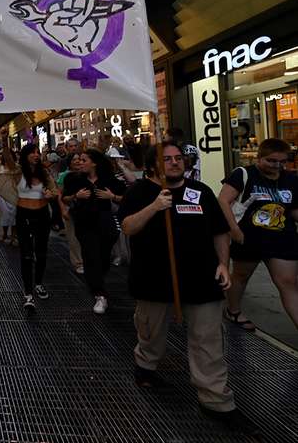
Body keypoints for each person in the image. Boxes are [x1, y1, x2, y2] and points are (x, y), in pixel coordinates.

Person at [118, 144, 258, 436]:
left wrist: (223, 263)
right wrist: (155, 207)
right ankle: (146, 365)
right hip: (154, 281)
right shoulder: (140, 192)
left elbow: (219, 231)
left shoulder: (202, 191)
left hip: (202, 280)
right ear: (153, 164)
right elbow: (129, 227)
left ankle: (216, 400)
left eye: (178, 158)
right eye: (166, 159)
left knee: (208, 340)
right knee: (151, 331)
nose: (173, 163)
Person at [219, 137, 298, 331]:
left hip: (282, 238)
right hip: (249, 237)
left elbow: (293, 210)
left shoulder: (290, 179)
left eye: (282, 161)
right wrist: (234, 230)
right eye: (271, 161)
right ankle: (233, 311)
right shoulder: (244, 174)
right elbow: (223, 200)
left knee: (288, 282)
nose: (277, 166)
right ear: (259, 158)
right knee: (241, 276)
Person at [62, 149, 126, 314]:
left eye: (84, 160)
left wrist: (112, 197)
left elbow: (126, 197)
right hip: (84, 224)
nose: (80, 163)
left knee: (103, 259)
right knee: (90, 257)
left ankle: (99, 280)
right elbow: (64, 198)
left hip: (105, 224)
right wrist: (76, 196)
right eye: (79, 160)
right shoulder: (74, 180)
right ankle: (99, 294)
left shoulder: (109, 180)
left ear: (94, 163)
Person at [0, 136, 58, 314]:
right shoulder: (18, 172)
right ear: (25, 156)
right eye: (32, 152)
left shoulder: (44, 173)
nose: (36, 155)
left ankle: (38, 283)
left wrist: (51, 195)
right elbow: (8, 158)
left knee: (40, 253)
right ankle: (28, 294)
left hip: (42, 215)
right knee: (26, 255)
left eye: (37, 152)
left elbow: (54, 190)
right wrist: (4, 140)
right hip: (24, 215)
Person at [56, 153, 84, 274]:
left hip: (83, 210)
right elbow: (60, 195)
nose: (78, 162)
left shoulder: (85, 174)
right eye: (75, 160)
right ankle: (78, 262)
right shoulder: (64, 176)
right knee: (73, 237)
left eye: (80, 159)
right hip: (69, 208)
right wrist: (63, 209)